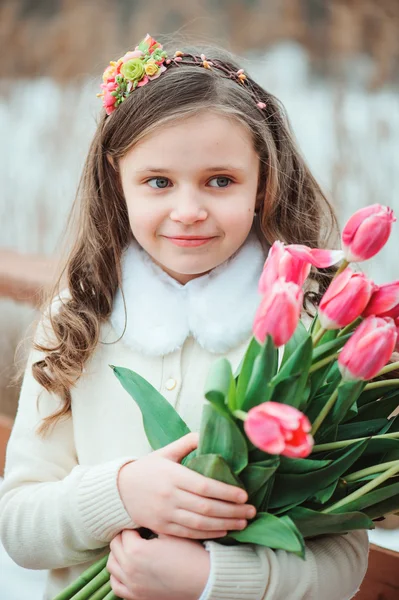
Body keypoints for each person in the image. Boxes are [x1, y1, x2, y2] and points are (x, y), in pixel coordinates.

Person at [0, 34, 369, 600]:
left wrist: (211, 580)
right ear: (116, 182)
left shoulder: (311, 328)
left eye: (220, 181)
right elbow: (20, 527)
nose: (189, 211)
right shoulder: (77, 318)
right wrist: (121, 494)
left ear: (264, 182)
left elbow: (343, 559)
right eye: (158, 182)